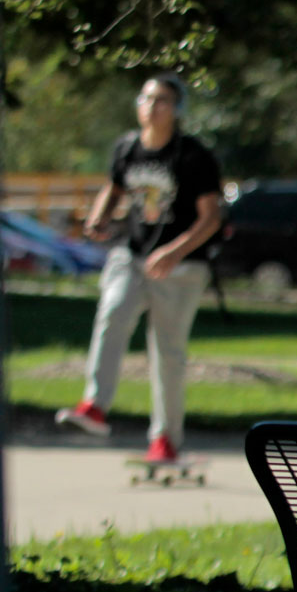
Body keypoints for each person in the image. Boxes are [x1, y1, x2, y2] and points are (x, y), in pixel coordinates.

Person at [54, 73, 224, 464]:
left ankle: (165, 440)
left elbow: (211, 217)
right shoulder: (128, 147)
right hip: (131, 254)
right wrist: (98, 218)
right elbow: (113, 188)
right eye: (147, 98)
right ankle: (94, 407)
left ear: (176, 109)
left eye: (162, 100)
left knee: (167, 353)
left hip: (182, 266)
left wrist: (174, 252)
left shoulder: (192, 156)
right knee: (112, 312)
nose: (153, 106)